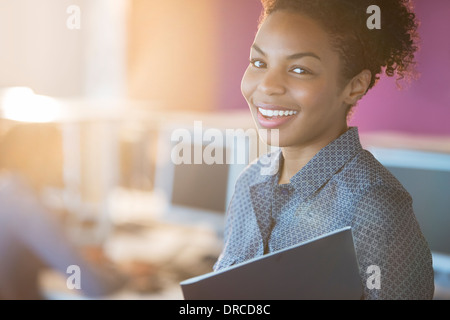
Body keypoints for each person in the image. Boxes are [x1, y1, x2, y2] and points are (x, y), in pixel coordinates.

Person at [214, 0, 435, 299]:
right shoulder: (249, 183)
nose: (268, 86)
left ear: (354, 86)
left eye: (299, 69)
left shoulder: (374, 206)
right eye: (259, 63)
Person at [0, 123, 126, 299]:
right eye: (58, 154)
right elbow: (93, 286)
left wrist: (79, 255)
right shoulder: (28, 208)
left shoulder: (7, 191)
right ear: (37, 158)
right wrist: (126, 273)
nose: (63, 161)